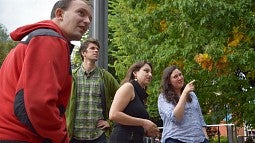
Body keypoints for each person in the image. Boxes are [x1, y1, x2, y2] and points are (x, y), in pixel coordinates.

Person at [0, 0, 92, 142]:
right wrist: (61, 138)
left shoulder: (33, 39)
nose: (87, 21)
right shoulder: (50, 39)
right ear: (60, 14)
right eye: (81, 13)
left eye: (90, 18)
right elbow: (39, 104)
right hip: (24, 136)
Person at [66, 38, 119, 143]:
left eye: (97, 49)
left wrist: (111, 121)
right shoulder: (72, 76)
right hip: (74, 135)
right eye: (92, 48)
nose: (96, 51)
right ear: (83, 53)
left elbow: (123, 98)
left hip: (98, 135)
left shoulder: (105, 76)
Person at [109, 60, 160, 143]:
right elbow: (113, 114)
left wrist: (147, 130)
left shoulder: (140, 95)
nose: (150, 75)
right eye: (146, 71)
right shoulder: (128, 87)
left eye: (151, 72)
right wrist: (143, 123)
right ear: (135, 73)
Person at [157, 65, 209, 143]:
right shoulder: (163, 97)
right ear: (168, 81)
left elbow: (199, 117)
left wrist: (205, 137)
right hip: (175, 139)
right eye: (175, 77)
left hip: (199, 139)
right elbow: (176, 118)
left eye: (180, 74)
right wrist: (184, 93)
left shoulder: (192, 95)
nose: (180, 78)